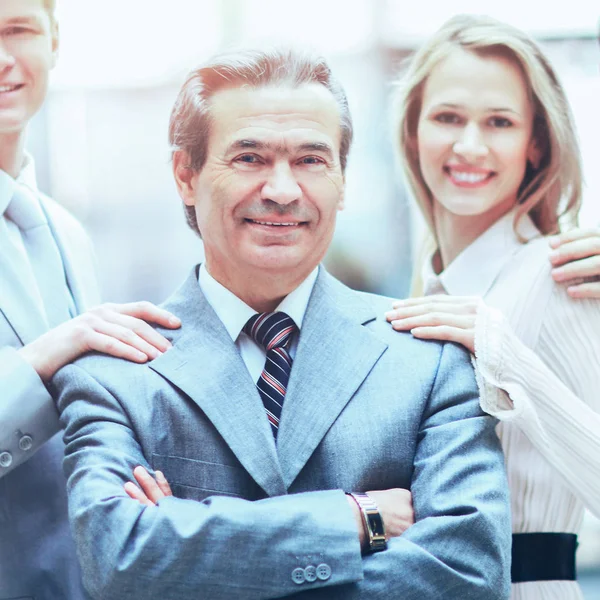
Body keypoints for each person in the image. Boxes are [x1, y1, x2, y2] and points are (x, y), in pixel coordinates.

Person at [54, 47, 511, 599]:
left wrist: (188, 544)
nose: (282, 190)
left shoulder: (430, 360)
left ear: (342, 180)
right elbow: (121, 564)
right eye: (249, 158)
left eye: (311, 160)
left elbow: (467, 577)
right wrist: (353, 518)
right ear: (186, 174)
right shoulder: (114, 373)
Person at [386, 14, 600, 599]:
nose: (469, 145)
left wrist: (505, 357)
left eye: (499, 122)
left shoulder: (557, 274)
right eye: (448, 117)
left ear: (535, 143)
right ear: (413, 131)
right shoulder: (425, 296)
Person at [0, 1, 180, 598]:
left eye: (18, 30)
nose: (3, 61)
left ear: (54, 41)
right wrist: (48, 354)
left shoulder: (67, 232)